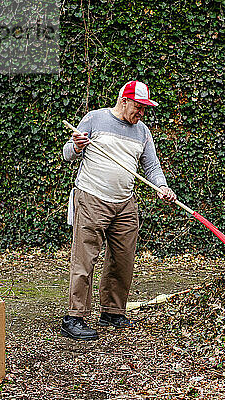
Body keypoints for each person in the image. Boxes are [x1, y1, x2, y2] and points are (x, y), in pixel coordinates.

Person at [61, 80, 176, 340]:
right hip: (92, 198)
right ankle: (74, 317)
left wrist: (162, 187)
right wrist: (78, 146)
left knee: (122, 260)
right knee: (84, 260)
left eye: (145, 108)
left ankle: (112, 311)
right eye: (138, 106)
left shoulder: (142, 132)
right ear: (124, 100)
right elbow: (67, 153)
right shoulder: (94, 119)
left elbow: (153, 167)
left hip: (124, 203)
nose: (142, 113)